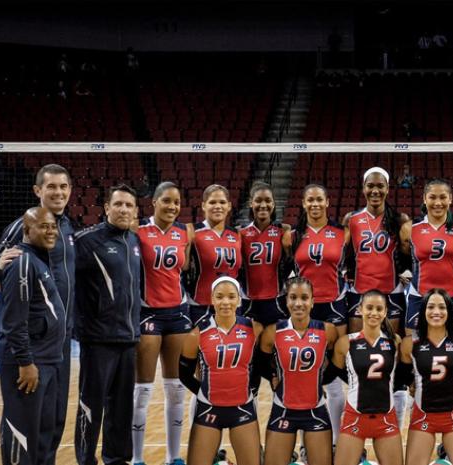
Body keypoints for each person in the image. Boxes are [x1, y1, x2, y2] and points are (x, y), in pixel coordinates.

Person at [0, 163, 76, 465]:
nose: (58, 192)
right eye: (51, 186)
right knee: (23, 422)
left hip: (58, 345)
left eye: (63, 186)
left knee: (53, 419)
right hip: (29, 345)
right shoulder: (22, 226)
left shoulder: (69, 229)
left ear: (70, 191)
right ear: (38, 191)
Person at [74, 184, 142, 465]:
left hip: (128, 339)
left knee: (122, 408)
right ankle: (86, 459)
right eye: (119, 204)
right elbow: (64, 279)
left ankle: (117, 459)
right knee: (91, 406)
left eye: (129, 205)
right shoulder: (86, 241)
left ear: (136, 211)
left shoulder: (134, 242)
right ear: (107, 208)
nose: (124, 209)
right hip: (98, 340)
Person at [0, 207, 66, 465]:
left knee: (42, 435)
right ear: (27, 230)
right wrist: (25, 363)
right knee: (22, 437)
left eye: (53, 226)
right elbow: (14, 321)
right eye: (43, 227)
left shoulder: (39, 259)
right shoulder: (22, 262)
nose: (51, 231)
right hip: (29, 364)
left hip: (47, 361)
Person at [283, 183, 349, 442]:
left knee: (334, 374)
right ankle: (304, 442)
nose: (315, 204)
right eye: (310, 200)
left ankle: (334, 441)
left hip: (333, 305)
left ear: (327, 201)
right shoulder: (294, 236)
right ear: (303, 203)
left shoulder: (341, 233)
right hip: (304, 309)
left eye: (319, 199)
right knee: (306, 374)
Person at [132, 182, 192, 465]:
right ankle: (137, 457)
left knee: (176, 389)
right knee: (142, 390)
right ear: (154, 202)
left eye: (177, 202)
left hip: (178, 313)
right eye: (166, 201)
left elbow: (186, 269)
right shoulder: (138, 230)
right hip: (148, 314)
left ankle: (173, 457)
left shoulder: (184, 232)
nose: (172, 207)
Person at [179, 277, 264, 465]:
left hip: (243, 408)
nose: (225, 302)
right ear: (212, 299)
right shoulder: (197, 333)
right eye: (220, 297)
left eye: (231, 297)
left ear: (239, 300)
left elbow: (259, 365)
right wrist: (205, 393)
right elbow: (184, 374)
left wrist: (253, 389)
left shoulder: (254, 329)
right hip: (209, 409)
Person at [258, 276, 338, 465]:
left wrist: (320, 380)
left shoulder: (328, 331)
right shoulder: (272, 332)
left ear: (312, 301)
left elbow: (336, 364)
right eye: (293, 297)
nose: (298, 303)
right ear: (286, 301)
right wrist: (272, 377)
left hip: (316, 410)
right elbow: (261, 362)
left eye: (304, 298)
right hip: (283, 409)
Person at [399, 289, 453, 465]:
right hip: (423, 415)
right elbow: (402, 374)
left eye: (442, 307)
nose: (436, 312)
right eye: (431, 307)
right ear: (423, 311)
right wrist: (412, 384)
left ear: (449, 311)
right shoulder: (410, 343)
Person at [331, 290, 403, 465]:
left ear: (385, 312)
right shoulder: (345, 342)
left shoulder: (395, 341)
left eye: (379, 309)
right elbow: (337, 370)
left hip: (385, 417)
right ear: (360, 309)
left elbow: (399, 372)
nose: (374, 313)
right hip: (355, 416)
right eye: (369, 308)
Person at [344, 167, 410, 335]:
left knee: (392, 346)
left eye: (380, 186)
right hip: (359, 291)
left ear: (387, 189)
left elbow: (408, 253)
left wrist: (404, 272)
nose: (375, 191)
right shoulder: (351, 219)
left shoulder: (399, 219)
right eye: (370, 186)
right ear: (363, 188)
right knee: (357, 345)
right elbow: (344, 254)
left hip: (391, 292)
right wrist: (346, 272)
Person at [400, 179, 453, 332]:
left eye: (443, 197)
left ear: (450, 199)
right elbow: (405, 254)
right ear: (424, 199)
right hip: (419, 296)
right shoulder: (409, 229)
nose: (438, 202)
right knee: (413, 347)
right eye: (432, 197)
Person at [187, 184, 243, 327]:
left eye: (222, 202)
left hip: (231, 305)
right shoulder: (192, 231)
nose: (218, 206)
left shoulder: (237, 235)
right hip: (201, 304)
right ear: (203, 206)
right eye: (212, 202)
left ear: (229, 206)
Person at [239, 181, 291, 327]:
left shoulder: (283, 231)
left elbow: (290, 263)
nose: (263, 205)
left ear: (274, 204)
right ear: (251, 203)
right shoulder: (241, 233)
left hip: (276, 300)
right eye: (258, 201)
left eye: (268, 200)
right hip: (249, 301)